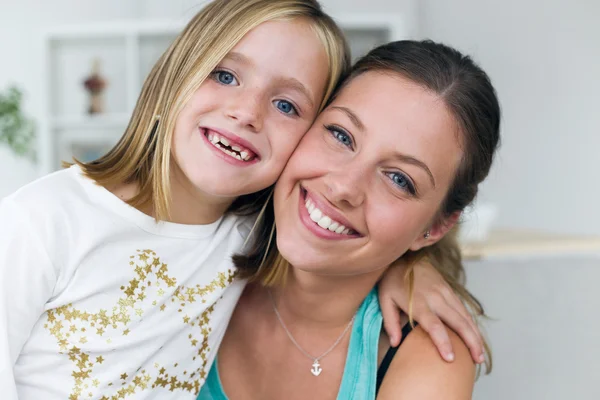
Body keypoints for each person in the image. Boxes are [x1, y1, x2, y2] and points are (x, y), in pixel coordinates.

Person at [0, 1, 484, 399]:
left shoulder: (246, 234)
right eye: (225, 76)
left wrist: (413, 268)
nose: (247, 112)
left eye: (287, 105)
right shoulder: (42, 221)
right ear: (177, 70)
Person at [198, 39, 500, 399]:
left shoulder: (428, 357)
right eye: (341, 135)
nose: (343, 186)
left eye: (399, 179)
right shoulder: (200, 256)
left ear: (435, 227)